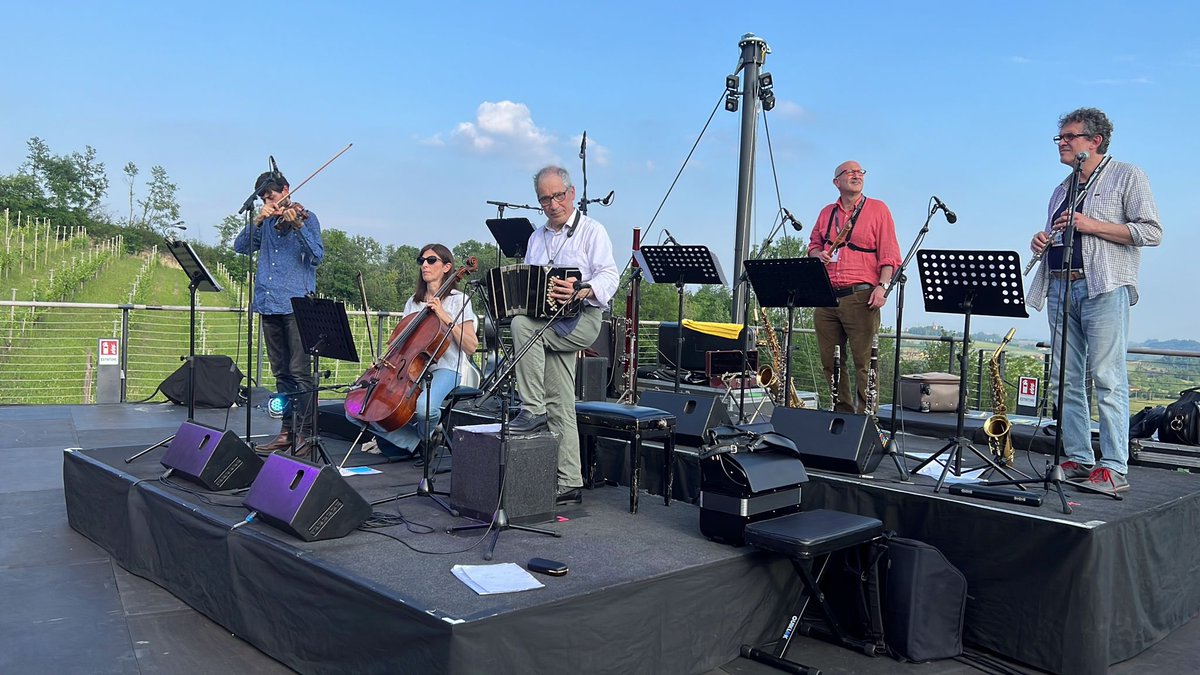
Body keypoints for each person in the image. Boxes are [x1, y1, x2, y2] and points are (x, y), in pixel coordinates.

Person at [1027, 107, 1161, 495]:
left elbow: (1151, 232)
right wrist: (1042, 240)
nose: (1062, 143)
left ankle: (1115, 466)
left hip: (1103, 287)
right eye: (1061, 138)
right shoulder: (1061, 189)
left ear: (1094, 141)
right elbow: (1065, 235)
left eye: (1069, 137)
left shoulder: (1128, 175)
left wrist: (1092, 225)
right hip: (1059, 285)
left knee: (1107, 377)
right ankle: (1079, 457)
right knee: (1065, 379)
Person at [509, 165, 619, 505]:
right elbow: (529, 280)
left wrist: (581, 289)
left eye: (558, 195)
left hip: (582, 318)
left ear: (571, 193)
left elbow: (610, 276)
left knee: (521, 327)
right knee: (561, 401)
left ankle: (531, 409)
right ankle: (570, 480)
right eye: (545, 198)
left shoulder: (592, 230)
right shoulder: (535, 237)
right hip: (548, 322)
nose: (553, 203)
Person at [345, 244, 478, 459]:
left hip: (445, 368)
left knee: (425, 410)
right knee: (355, 410)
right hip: (407, 369)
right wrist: (383, 362)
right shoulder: (413, 302)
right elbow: (401, 343)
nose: (424, 265)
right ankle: (419, 443)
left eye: (431, 260)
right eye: (421, 261)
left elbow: (471, 346)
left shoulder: (458, 300)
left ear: (447, 267)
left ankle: (420, 440)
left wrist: (444, 316)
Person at [234, 170, 324, 454]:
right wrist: (258, 220)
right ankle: (286, 431)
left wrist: (297, 225)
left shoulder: (308, 218)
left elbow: (317, 256)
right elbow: (240, 247)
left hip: (297, 306)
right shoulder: (266, 224)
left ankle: (305, 436)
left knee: (300, 372)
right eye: (263, 197)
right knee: (281, 373)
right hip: (268, 304)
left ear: (285, 189)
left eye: (270, 195)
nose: (267, 200)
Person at [807, 161, 901, 414]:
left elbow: (890, 254)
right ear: (837, 182)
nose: (856, 175)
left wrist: (882, 287)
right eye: (850, 172)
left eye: (860, 172)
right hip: (826, 295)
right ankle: (843, 415)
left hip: (861, 295)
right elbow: (813, 244)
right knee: (831, 361)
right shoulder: (827, 212)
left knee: (864, 362)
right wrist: (817, 255)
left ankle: (867, 420)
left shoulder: (877, 209)